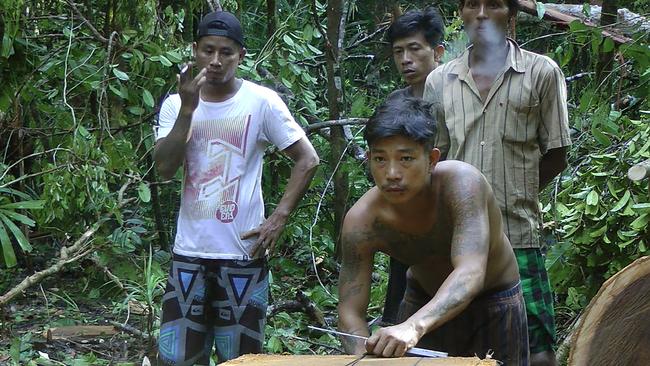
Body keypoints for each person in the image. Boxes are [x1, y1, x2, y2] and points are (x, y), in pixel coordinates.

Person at [153, 11, 319, 365]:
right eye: (208, 50)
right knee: (177, 358)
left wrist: (279, 217)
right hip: (189, 254)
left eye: (226, 52)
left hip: (242, 255)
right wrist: (187, 109)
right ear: (195, 51)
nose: (215, 61)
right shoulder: (174, 104)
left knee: (242, 360)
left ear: (240, 56)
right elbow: (165, 169)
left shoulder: (262, 102)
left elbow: (307, 159)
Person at [423, 1, 571, 365]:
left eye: (495, 4)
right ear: (461, 13)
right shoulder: (440, 81)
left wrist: (516, 192)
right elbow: (432, 160)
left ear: (512, 13)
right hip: (456, 241)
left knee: (537, 350)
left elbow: (556, 153)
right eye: (472, 4)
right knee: (456, 346)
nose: (482, 14)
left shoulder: (541, 72)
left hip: (518, 233)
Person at [337, 97, 528, 365]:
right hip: (422, 298)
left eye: (406, 158)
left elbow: (470, 272)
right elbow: (349, 310)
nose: (392, 173)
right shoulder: (362, 221)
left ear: (431, 159)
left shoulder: (462, 185)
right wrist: (361, 356)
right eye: (380, 159)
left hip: (493, 300)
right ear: (368, 159)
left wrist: (412, 327)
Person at [381, 7, 446, 325]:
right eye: (398, 51)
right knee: (398, 314)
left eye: (414, 49)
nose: (406, 59)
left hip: (449, 222)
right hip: (406, 224)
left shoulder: (457, 95)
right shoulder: (396, 103)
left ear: (437, 52)